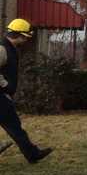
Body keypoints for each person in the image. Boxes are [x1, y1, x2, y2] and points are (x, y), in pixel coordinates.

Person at [0, 19, 52, 164]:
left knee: (15, 128)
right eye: (26, 37)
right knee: (15, 128)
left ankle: (33, 154)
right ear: (19, 35)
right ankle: (33, 154)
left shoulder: (9, 48)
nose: (26, 40)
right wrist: (5, 86)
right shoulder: (3, 49)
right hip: (1, 97)